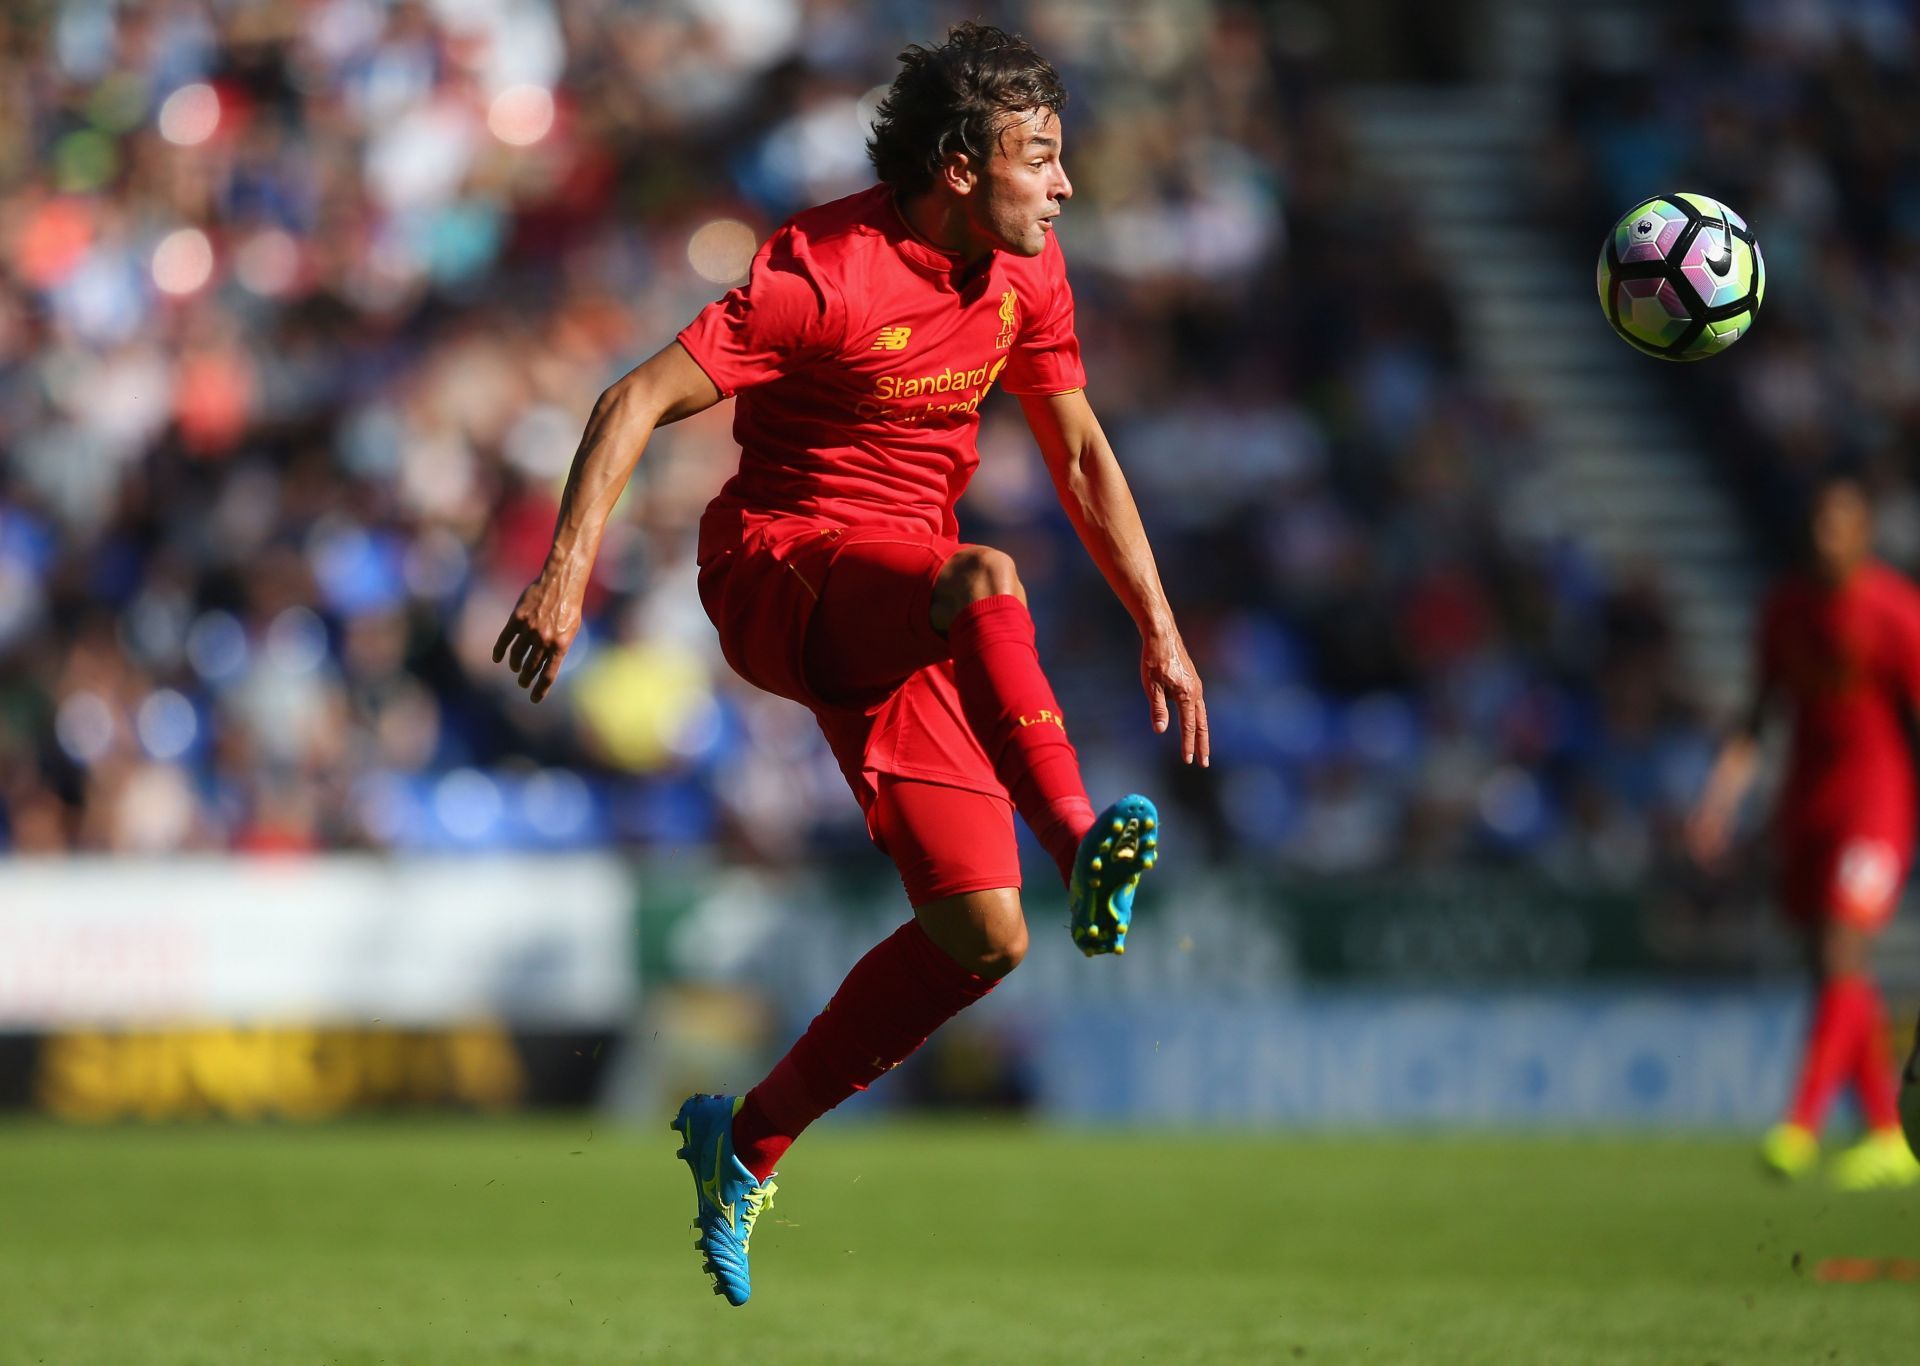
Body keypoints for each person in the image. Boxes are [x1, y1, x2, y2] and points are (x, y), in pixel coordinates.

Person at [492, 23, 1207, 1303]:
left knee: (984, 937)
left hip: (911, 609)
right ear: (955, 164)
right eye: (1039, 158)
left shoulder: (1026, 278)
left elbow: (1084, 455)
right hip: (782, 568)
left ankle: (745, 1142)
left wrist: (1159, 622)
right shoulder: (822, 269)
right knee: (987, 576)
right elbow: (633, 398)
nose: (1065, 184)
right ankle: (1077, 839)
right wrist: (564, 573)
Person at [1689, 474, 1920, 1190]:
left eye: (1839, 524)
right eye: (1817, 522)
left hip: (1876, 802)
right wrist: (1719, 801)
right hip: (1807, 804)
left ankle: (1801, 1122)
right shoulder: (1785, 608)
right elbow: (1757, 716)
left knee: (1841, 945)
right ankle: (1888, 1135)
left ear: (1862, 534)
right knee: (1831, 972)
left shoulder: (1894, 611)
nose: (1825, 537)